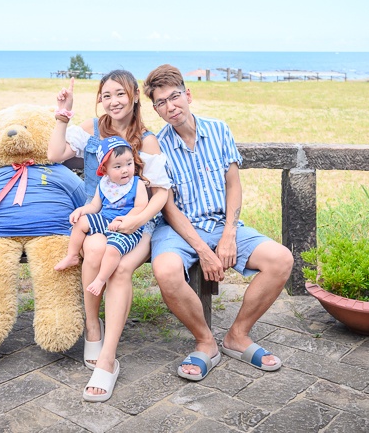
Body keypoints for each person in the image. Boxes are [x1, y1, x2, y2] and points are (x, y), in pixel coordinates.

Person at [143, 64, 293, 381]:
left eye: (174, 97)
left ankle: (237, 335)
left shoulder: (220, 130)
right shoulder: (158, 146)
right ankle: (205, 342)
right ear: (155, 109)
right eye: (160, 102)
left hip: (221, 224)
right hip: (178, 229)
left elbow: (233, 185)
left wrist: (228, 235)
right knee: (166, 270)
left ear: (188, 95)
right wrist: (203, 249)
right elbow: (168, 207)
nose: (170, 107)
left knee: (281, 259)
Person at [47, 71, 171, 402]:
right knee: (93, 244)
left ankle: (107, 359)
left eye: (120, 94)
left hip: (138, 223)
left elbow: (160, 192)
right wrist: (64, 113)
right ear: (100, 100)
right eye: (106, 95)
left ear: (133, 97)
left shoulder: (146, 140)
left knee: (118, 268)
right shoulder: (91, 129)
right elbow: (55, 153)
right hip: (99, 217)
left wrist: (138, 220)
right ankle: (92, 326)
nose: (113, 101)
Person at [54, 136, 154, 297]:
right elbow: (95, 206)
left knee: (112, 250)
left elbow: (141, 207)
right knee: (82, 222)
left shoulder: (137, 183)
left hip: (128, 228)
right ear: (105, 169)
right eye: (118, 166)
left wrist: (126, 221)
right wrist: (81, 210)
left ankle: (100, 279)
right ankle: (72, 256)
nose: (125, 170)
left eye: (129, 163)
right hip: (105, 220)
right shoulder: (104, 184)